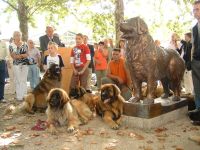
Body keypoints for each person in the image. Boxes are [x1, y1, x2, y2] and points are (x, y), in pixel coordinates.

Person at [188, 0, 200, 124]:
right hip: (196, 61)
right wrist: (191, 60)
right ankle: (198, 111)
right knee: (197, 89)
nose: (195, 12)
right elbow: (193, 46)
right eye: (194, 10)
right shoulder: (194, 28)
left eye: (197, 9)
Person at [9, 31, 29, 101]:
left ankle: (24, 95)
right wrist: (22, 55)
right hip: (16, 65)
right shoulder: (11, 45)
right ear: (13, 36)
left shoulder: (25, 44)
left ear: (21, 36)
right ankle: (19, 96)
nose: (17, 36)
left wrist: (19, 56)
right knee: (18, 80)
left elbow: (27, 54)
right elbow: (13, 56)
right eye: (16, 35)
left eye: (19, 35)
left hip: (25, 64)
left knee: (24, 80)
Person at [0, 34, 9, 103]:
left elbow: (7, 54)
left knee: (2, 81)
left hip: (2, 63)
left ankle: (1, 97)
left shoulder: (3, 43)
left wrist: (7, 62)